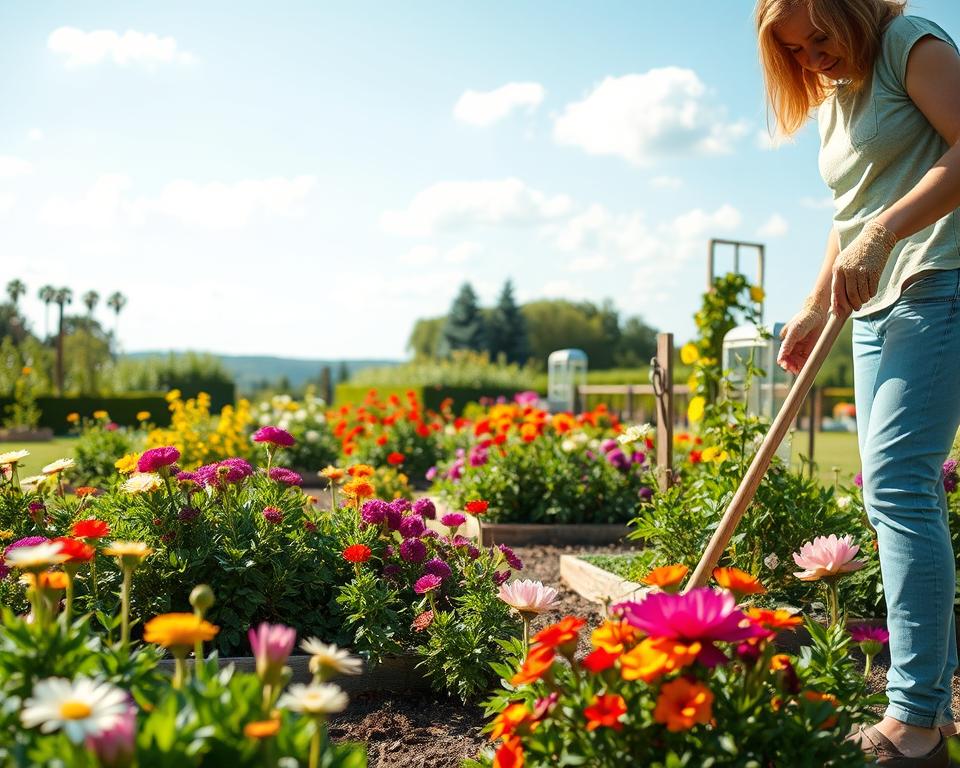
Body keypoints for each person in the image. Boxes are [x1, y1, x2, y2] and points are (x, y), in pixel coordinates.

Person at [755, 0, 960, 764]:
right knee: (888, 489)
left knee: (903, 483)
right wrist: (812, 307)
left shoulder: (912, 41)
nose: (813, 58)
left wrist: (882, 235)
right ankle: (931, 717)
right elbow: (853, 213)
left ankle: (911, 720)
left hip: (939, 279)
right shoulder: (835, 96)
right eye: (796, 52)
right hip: (873, 303)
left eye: (820, 37)